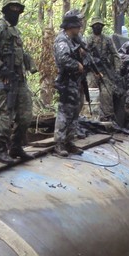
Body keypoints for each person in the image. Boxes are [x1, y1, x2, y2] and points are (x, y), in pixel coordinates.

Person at [0, 0, 37, 164]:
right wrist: (3, 68)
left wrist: (30, 64)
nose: (16, 14)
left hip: (19, 79)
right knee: (4, 114)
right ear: (5, 10)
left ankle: (16, 146)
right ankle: (0, 149)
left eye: (18, 11)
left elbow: (20, 53)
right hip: (3, 79)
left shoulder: (15, 31)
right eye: (12, 10)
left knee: (26, 114)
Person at [52, 10, 87, 157]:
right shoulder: (62, 39)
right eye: (77, 24)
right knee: (65, 112)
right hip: (66, 81)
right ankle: (59, 143)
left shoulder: (75, 39)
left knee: (75, 111)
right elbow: (63, 59)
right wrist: (77, 65)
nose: (80, 27)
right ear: (71, 25)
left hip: (76, 81)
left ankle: (69, 141)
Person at [85, 17, 123, 123]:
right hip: (92, 71)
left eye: (100, 25)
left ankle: (108, 116)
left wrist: (117, 70)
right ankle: (90, 117)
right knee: (91, 91)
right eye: (96, 25)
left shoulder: (107, 40)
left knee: (107, 92)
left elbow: (115, 55)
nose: (98, 27)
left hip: (105, 70)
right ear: (92, 27)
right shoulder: (88, 39)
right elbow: (84, 55)